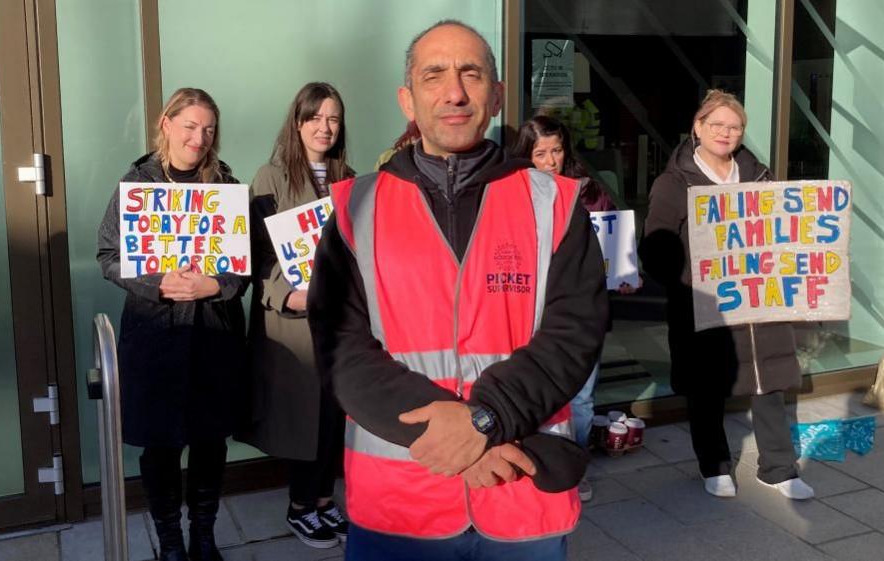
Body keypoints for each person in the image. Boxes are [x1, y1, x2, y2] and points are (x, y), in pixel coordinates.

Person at [308, 20, 607, 561]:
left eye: (471, 74)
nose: (454, 92)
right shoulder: (355, 209)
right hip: (399, 503)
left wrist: (485, 421)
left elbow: (574, 336)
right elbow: (341, 350)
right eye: (434, 75)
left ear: (495, 96)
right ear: (407, 98)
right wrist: (457, 439)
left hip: (521, 491)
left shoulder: (557, 204)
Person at [97, 87, 249, 561]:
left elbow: (245, 264)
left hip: (213, 335)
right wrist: (156, 282)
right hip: (155, 335)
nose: (199, 138)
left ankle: (203, 537)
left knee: (209, 440)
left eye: (208, 129)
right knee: (160, 445)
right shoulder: (136, 185)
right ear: (166, 124)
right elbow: (108, 255)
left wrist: (217, 286)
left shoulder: (225, 186)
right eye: (190, 126)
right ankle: (169, 544)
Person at [640, 89, 813, 500]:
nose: (725, 132)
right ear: (697, 127)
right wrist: (688, 274)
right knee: (707, 386)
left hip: (757, 301)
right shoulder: (674, 182)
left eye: (733, 126)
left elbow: (781, 233)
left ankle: (779, 468)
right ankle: (714, 465)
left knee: (768, 382)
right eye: (716, 124)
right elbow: (656, 245)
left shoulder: (760, 178)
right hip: (703, 302)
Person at [238, 82, 352, 549]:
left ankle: (326, 500)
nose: (325, 128)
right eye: (316, 118)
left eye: (333, 119)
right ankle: (300, 506)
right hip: (295, 319)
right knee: (306, 417)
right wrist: (287, 295)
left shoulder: (350, 177)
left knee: (336, 413)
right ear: (298, 122)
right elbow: (255, 255)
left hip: (340, 320)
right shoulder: (272, 176)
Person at [511, 114, 636, 502]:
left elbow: (614, 248)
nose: (551, 161)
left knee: (581, 397)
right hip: (532, 314)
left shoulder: (590, 192)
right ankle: (532, 464)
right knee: (535, 393)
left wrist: (624, 272)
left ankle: (573, 467)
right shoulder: (511, 196)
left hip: (583, 315)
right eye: (541, 153)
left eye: (557, 151)